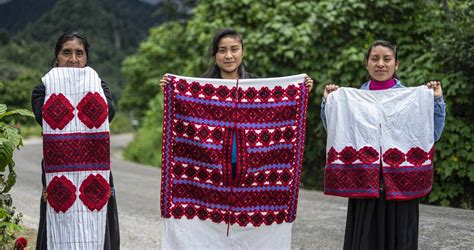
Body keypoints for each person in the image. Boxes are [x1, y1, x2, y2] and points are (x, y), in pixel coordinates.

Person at [321, 40, 446, 250]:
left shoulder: (412, 99)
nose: (380, 64)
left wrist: (435, 101)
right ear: (366, 64)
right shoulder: (352, 99)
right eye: (375, 59)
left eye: (387, 59)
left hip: (401, 186)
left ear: (396, 64)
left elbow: (432, 133)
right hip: (364, 185)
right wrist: (329, 103)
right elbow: (336, 131)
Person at [160, 28, 314, 176]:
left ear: (242, 52)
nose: (228, 56)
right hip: (209, 164)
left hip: (253, 166)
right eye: (222, 50)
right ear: (215, 56)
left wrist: (300, 91)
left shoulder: (259, 87)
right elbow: (184, 115)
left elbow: (280, 110)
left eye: (234, 49)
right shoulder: (202, 88)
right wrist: (171, 91)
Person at [31, 31, 120, 249]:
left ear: (87, 57)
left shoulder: (99, 85)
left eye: (79, 53)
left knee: (95, 218)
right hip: (59, 170)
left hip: (95, 170)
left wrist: (85, 88)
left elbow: (108, 113)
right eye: (66, 53)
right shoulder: (43, 87)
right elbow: (44, 118)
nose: (73, 59)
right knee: (58, 221)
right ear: (57, 57)